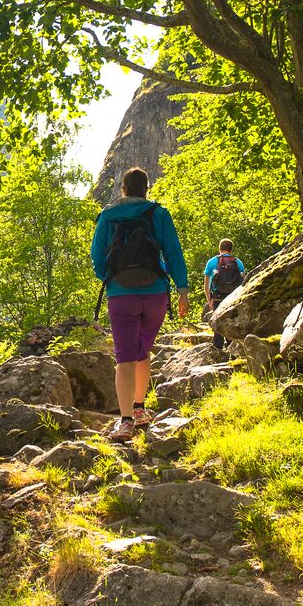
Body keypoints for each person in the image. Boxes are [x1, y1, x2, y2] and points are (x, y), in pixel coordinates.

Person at [90, 167, 189, 443]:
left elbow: (97, 258)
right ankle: (140, 409)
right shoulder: (159, 214)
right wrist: (182, 289)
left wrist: (112, 279)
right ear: (147, 188)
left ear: (123, 189)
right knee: (142, 350)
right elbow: (173, 253)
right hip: (156, 293)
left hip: (121, 295)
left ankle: (125, 423)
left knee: (125, 356)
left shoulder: (108, 216)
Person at [203, 238, 246, 350]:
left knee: (218, 325)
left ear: (219, 248)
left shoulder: (212, 262)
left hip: (217, 297)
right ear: (231, 249)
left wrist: (210, 301)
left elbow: (206, 286)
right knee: (231, 323)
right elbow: (243, 282)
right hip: (233, 297)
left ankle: (217, 351)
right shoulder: (238, 262)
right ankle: (233, 351)